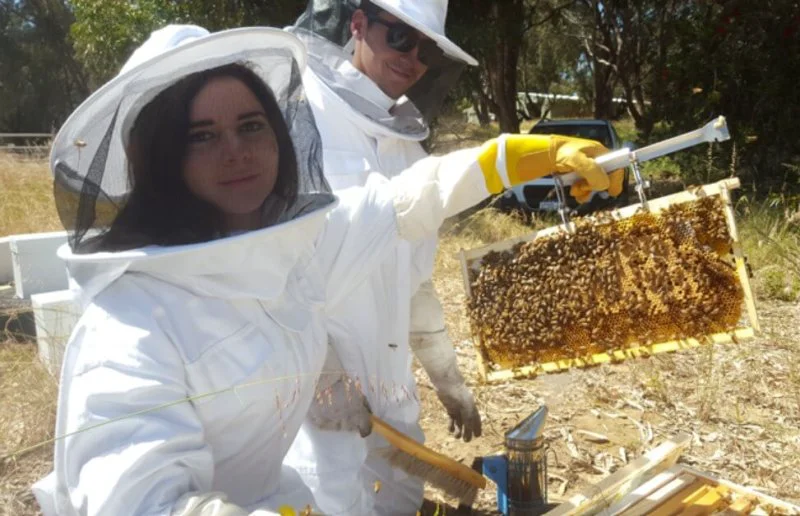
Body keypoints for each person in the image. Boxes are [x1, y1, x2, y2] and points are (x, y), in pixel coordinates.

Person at [31, 23, 618, 516]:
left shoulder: (291, 247)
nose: (236, 151)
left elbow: (405, 201)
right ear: (158, 158)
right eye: (202, 136)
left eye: (251, 125)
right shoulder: (129, 324)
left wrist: (514, 156)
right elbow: (137, 499)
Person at [283, 1, 621, 513]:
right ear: (357, 24)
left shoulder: (407, 149)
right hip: (311, 406)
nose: (413, 57)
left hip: (391, 398)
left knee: (398, 498)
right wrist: (322, 375)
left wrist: (448, 381)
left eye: (426, 48)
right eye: (400, 37)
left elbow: (413, 283)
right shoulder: (300, 118)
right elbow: (281, 266)